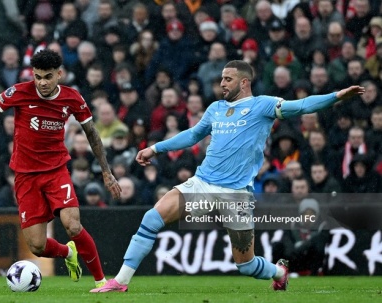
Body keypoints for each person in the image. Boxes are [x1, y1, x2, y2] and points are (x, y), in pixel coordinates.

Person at [91, 60, 364, 293]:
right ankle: (121, 281)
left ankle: (278, 273)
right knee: (152, 217)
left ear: (244, 82)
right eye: (221, 78)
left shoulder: (263, 106)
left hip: (236, 194)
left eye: (227, 78)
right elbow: (193, 135)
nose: (221, 83)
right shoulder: (215, 109)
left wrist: (337, 96)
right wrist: (155, 148)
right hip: (202, 183)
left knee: (245, 264)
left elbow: (302, 105)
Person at [0, 49, 121, 289]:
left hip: (56, 171)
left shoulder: (72, 98)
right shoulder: (19, 92)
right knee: (37, 246)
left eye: (47, 76)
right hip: (25, 176)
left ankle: (102, 281)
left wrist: (106, 170)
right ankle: (68, 254)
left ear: (59, 75)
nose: (42, 82)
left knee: (72, 224)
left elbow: (91, 133)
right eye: (38, 76)